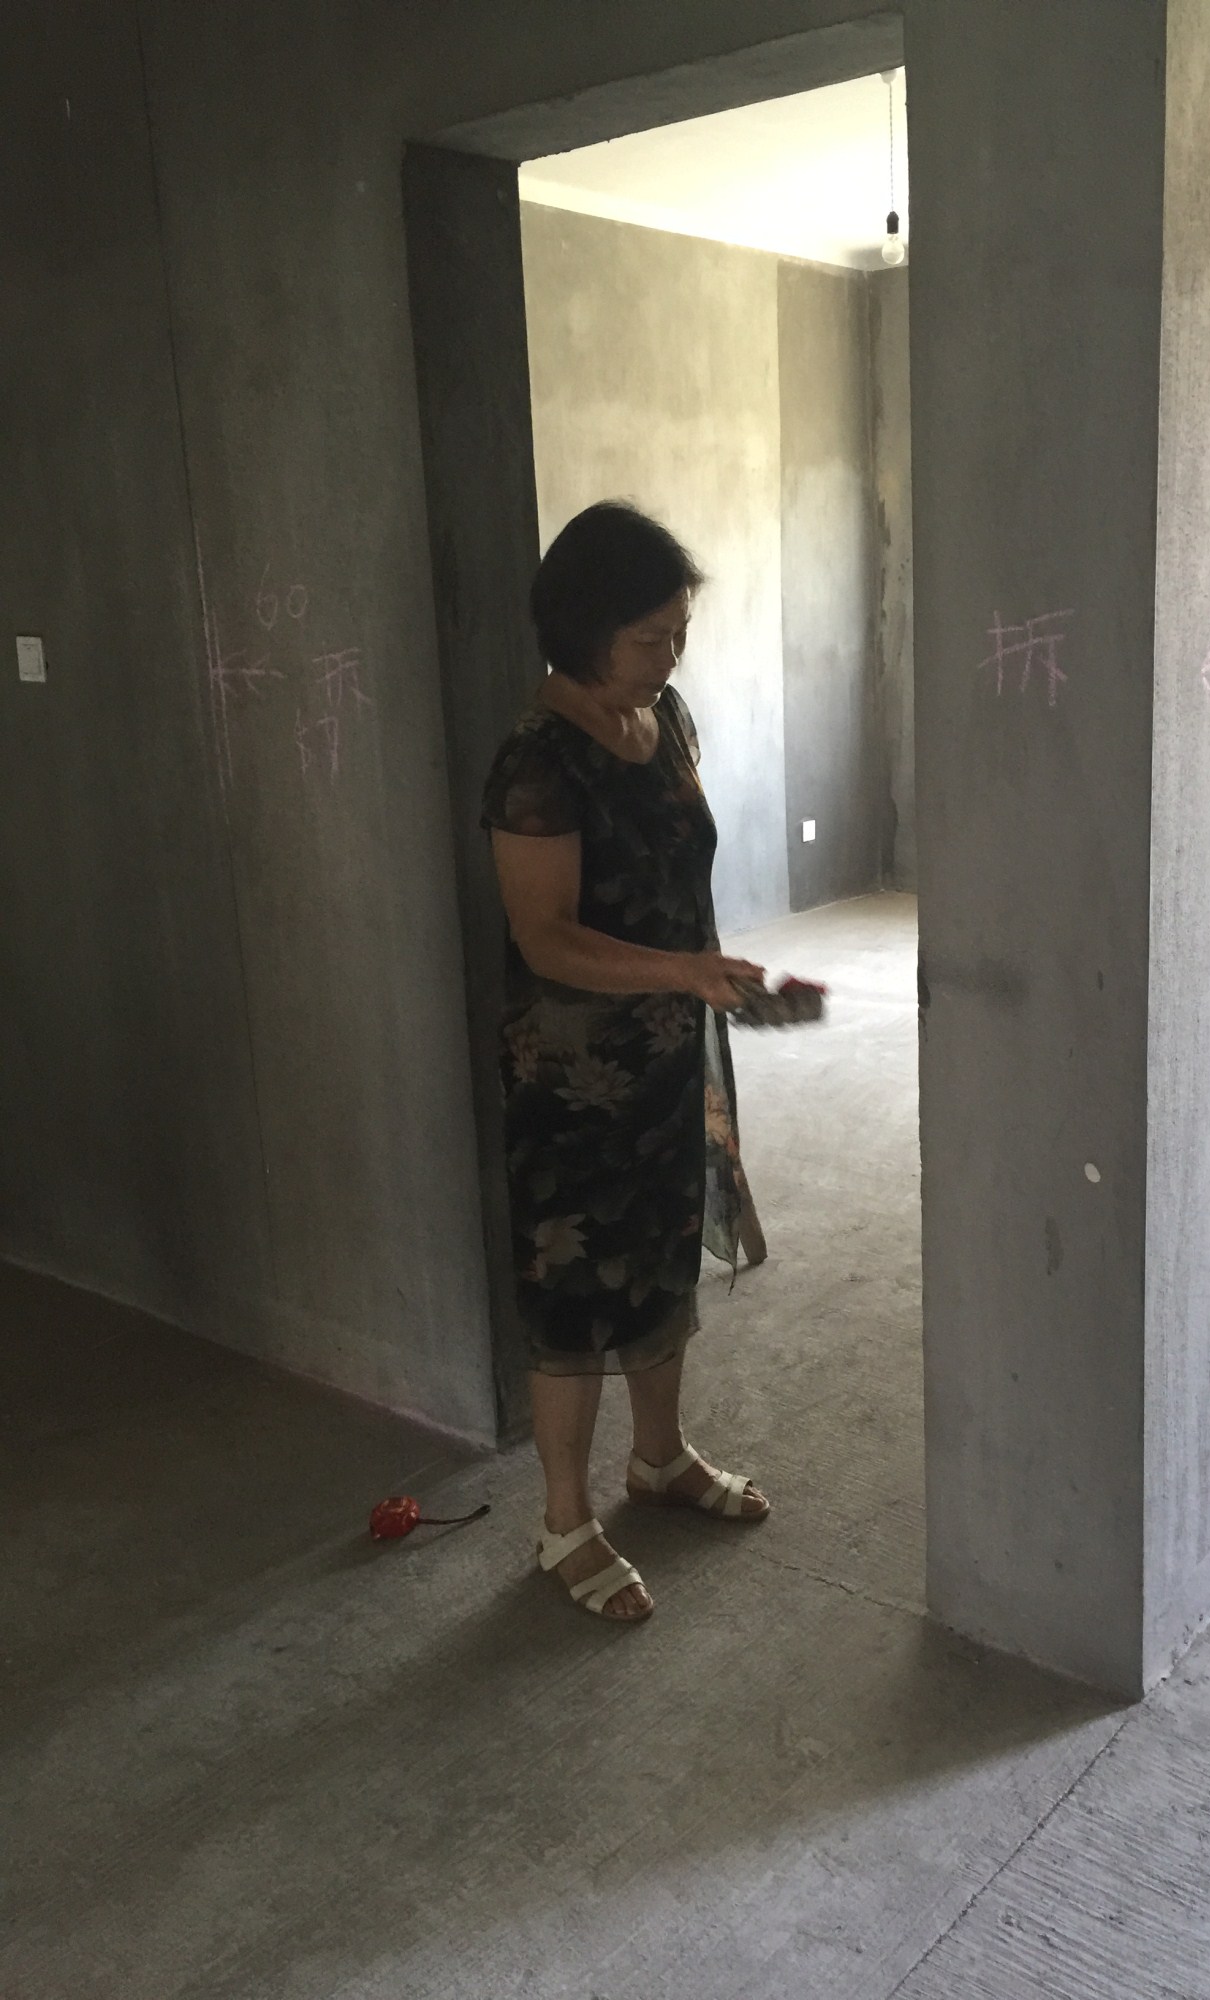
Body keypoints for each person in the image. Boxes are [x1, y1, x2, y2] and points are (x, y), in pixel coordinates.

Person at [481, 501, 772, 1624]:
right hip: (572, 1076)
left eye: (679, 631)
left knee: (659, 1256)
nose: (671, 654)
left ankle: (660, 1458)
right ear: (583, 629)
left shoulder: (668, 719)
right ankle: (565, 1519)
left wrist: (703, 978)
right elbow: (545, 937)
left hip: (664, 1048)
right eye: (650, 636)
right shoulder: (538, 763)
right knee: (574, 1289)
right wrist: (680, 970)